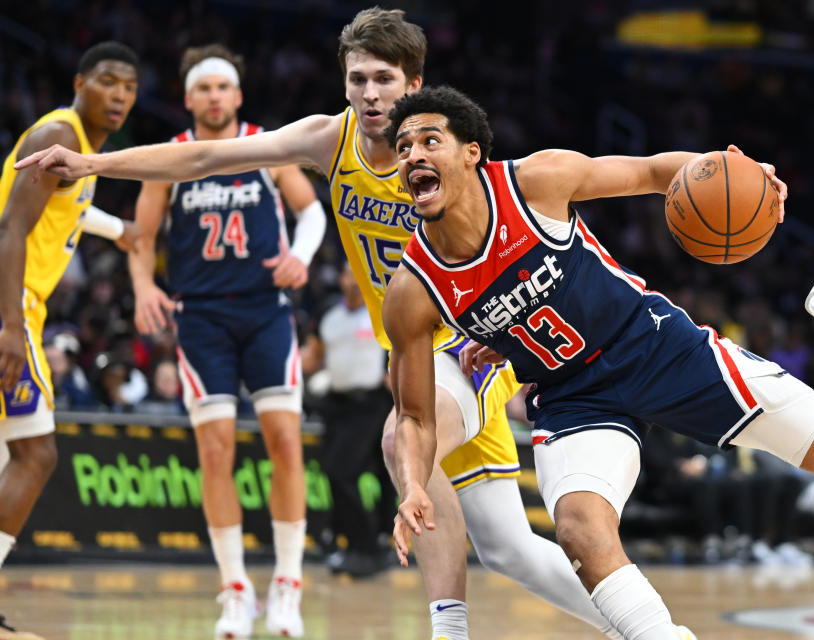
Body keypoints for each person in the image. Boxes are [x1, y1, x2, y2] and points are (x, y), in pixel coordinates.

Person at [13, 10, 623, 640]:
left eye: (384, 79)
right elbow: (204, 156)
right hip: (409, 356)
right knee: (508, 549)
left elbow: (516, 238)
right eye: (357, 78)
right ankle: (641, 625)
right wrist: (93, 166)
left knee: (402, 438)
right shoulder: (328, 140)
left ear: (415, 82)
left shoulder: (452, 156)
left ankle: (448, 627)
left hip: (465, 345)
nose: (370, 93)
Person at [377, 86, 814, 639]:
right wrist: (415, 486)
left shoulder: (535, 182)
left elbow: (649, 172)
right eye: (403, 148)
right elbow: (415, 418)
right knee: (578, 528)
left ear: (472, 153)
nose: (414, 156)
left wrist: (727, 169)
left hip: (652, 345)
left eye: (430, 140)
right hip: (573, 396)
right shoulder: (413, 289)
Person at [127, 44, 324, 639]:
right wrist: (141, 286)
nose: (214, 96)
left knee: (285, 443)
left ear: (237, 96)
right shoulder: (174, 156)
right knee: (215, 452)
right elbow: (141, 232)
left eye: (223, 87)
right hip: (202, 318)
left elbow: (311, 212)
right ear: (189, 99)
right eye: (203, 88)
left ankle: (288, 584)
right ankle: (235, 588)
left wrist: (301, 256)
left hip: (265, 312)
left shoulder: (267, 147)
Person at [0, 41, 141, 640]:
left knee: (12, 457)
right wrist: (9, 326)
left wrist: (121, 231)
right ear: (80, 82)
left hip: (19, 309)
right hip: (12, 310)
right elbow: (11, 229)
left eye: (131, 88)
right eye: (108, 81)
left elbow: (69, 207)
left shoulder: (75, 154)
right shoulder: (55, 132)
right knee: (37, 453)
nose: (120, 95)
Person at [302, 263, 394, 576]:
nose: (353, 280)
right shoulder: (329, 315)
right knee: (337, 471)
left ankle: (369, 546)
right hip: (336, 403)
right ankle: (353, 545)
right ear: (340, 279)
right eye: (347, 274)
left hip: (371, 402)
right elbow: (313, 356)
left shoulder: (381, 310)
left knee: (346, 470)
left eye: (358, 274)